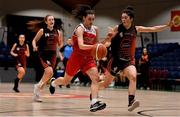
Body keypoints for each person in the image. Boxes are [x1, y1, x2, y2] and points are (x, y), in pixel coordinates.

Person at [98, 6, 173, 112]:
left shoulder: (136, 29)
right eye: (122, 17)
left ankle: (131, 102)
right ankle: (94, 90)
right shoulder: (117, 28)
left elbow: (153, 28)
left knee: (133, 77)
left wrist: (167, 26)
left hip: (128, 61)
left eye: (125, 17)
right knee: (105, 84)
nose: (123, 19)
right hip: (116, 60)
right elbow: (107, 42)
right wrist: (107, 38)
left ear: (131, 18)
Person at [49, 5, 107, 112]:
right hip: (76, 58)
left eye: (93, 19)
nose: (91, 21)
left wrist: (107, 39)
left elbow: (97, 45)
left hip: (88, 59)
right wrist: (95, 47)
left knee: (96, 78)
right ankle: (53, 82)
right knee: (66, 81)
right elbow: (81, 45)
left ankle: (94, 102)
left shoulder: (95, 29)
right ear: (84, 18)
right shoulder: (80, 29)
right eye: (89, 19)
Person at [31, 15, 63, 102]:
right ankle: (37, 87)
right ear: (46, 22)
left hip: (53, 55)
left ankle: (37, 91)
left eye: (53, 19)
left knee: (48, 75)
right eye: (50, 20)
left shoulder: (58, 32)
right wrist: (34, 46)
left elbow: (60, 44)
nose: (52, 21)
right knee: (49, 71)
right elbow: (34, 40)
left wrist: (61, 44)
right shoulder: (42, 31)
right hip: (44, 54)